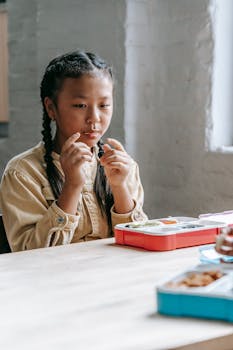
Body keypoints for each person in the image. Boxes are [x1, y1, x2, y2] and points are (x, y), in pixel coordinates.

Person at [0, 50, 147, 252]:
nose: (94, 118)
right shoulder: (22, 173)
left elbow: (139, 242)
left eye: (104, 105)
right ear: (51, 108)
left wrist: (120, 186)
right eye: (80, 105)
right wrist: (72, 185)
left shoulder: (123, 167)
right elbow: (30, 255)